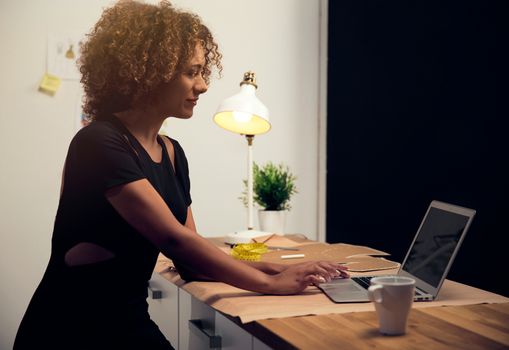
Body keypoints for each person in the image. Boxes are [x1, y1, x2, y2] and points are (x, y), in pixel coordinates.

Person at [14, 1, 349, 349]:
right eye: (192, 72)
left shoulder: (172, 153)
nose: (203, 86)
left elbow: (193, 258)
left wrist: (279, 269)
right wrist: (271, 284)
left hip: (125, 318)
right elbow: (175, 241)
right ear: (149, 73)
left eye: (203, 72)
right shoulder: (98, 142)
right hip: (72, 326)